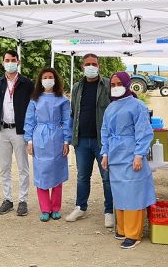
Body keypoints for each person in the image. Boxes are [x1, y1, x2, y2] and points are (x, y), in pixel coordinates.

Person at [100, 72, 155, 249]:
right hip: (115, 156)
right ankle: (122, 228)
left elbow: (144, 132)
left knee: (133, 194)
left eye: (119, 83)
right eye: (113, 84)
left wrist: (139, 154)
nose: (115, 87)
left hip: (131, 155)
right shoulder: (110, 107)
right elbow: (105, 131)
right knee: (120, 193)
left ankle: (134, 233)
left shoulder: (137, 106)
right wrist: (105, 153)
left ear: (127, 84)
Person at [66, 53, 114, 227]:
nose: (91, 67)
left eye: (94, 64)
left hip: (102, 142)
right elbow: (73, 112)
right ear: (82, 67)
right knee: (82, 177)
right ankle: (81, 207)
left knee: (107, 177)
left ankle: (109, 211)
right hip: (82, 141)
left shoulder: (108, 85)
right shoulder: (77, 87)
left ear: (99, 66)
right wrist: (71, 137)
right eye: (88, 64)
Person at [0, 50, 34, 216]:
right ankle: (7, 199)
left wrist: (30, 133)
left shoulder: (27, 83)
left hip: (19, 131)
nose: (10, 63)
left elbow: (32, 108)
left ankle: (23, 200)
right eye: (7, 60)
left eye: (13, 60)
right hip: (2, 131)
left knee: (23, 167)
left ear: (18, 61)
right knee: (4, 167)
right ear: (2, 63)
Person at [24, 68, 71, 222]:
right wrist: (29, 141)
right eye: (45, 77)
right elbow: (29, 121)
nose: (48, 79)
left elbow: (67, 122)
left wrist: (66, 141)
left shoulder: (62, 100)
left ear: (55, 80)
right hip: (40, 138)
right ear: (40, 80)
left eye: (51, 77)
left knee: (57, 173)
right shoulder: (34, 100)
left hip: (57, 137)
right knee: (41, 172)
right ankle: (45, 208)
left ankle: (56, 207)